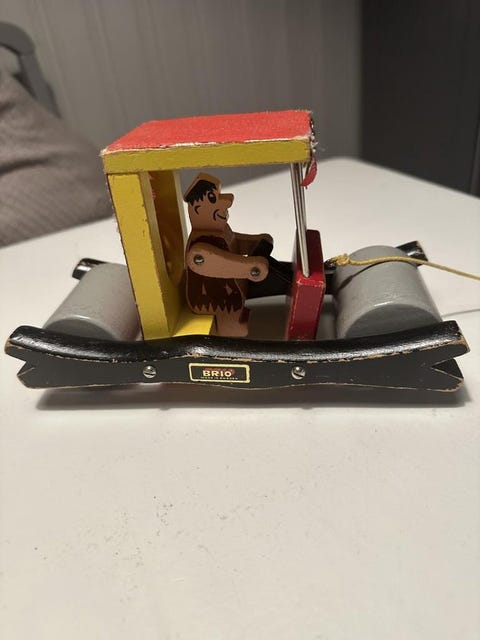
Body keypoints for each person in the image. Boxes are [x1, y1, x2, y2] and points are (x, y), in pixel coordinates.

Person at [184, 173, 272, 337]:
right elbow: (215, 263)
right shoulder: (200, 242)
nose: (226, 201)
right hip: (211, 297)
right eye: (213, 198)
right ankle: (230, 332)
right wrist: (251, 268)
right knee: (230, 310)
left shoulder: (220, 231)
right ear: (198, 209)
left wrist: (256, 242)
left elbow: (234, 242)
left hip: (228, 288)